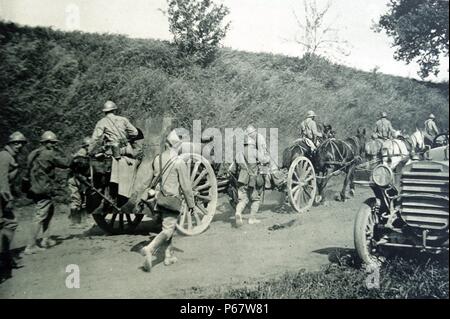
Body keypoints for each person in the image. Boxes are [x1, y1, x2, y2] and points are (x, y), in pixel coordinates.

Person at [140, 130, 195, 272]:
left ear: (167, 144)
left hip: (158, 199)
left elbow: (151, 179)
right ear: (178, 146)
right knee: (169, 229)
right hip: (171, 199)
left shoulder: (157, 159)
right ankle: (149, 249)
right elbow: (186, 186)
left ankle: (168, 256)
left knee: (167, 226)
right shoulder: (179, 162)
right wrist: (191, 204)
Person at [24, 131, 70, 254]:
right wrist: (64, 152)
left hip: (34, 187)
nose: (54, 144)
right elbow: (66, 163)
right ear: (46, 143)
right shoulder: (49, 154)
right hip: (44, 188)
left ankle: (46, 239)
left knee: (48, 212)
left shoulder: (34, 153)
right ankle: (30, 245)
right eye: (53, 142)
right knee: (40, 215)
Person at [0, 132, 27, 279]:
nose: (19, 146)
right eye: (16, 143)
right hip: (1, 196)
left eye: (21, 143)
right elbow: (2, 179)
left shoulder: (12, 157)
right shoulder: (4, 156)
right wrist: (8, 197)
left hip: (3, 196)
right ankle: (5, 260)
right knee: (6, 225)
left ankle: (6, 257)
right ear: (10, 143)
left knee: (9, 224)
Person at [229, 134, 269, 226]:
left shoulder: (238, 153)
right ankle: (252, 219)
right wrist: (266, 156)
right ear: (252, 144)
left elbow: (233, 170)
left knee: (242, 200)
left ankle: (238, 212)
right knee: (256, 200)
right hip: (252, 180)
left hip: (242, 180)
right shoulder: (254, 151)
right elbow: (264, 160)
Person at [68, 137, 91, 228]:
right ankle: (74, 222)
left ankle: (82, 221)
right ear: (86, 146)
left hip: (80, 179)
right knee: (76, 199)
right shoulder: (80, 155)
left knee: (82, 200)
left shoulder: (85, 154)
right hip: (75, 178)